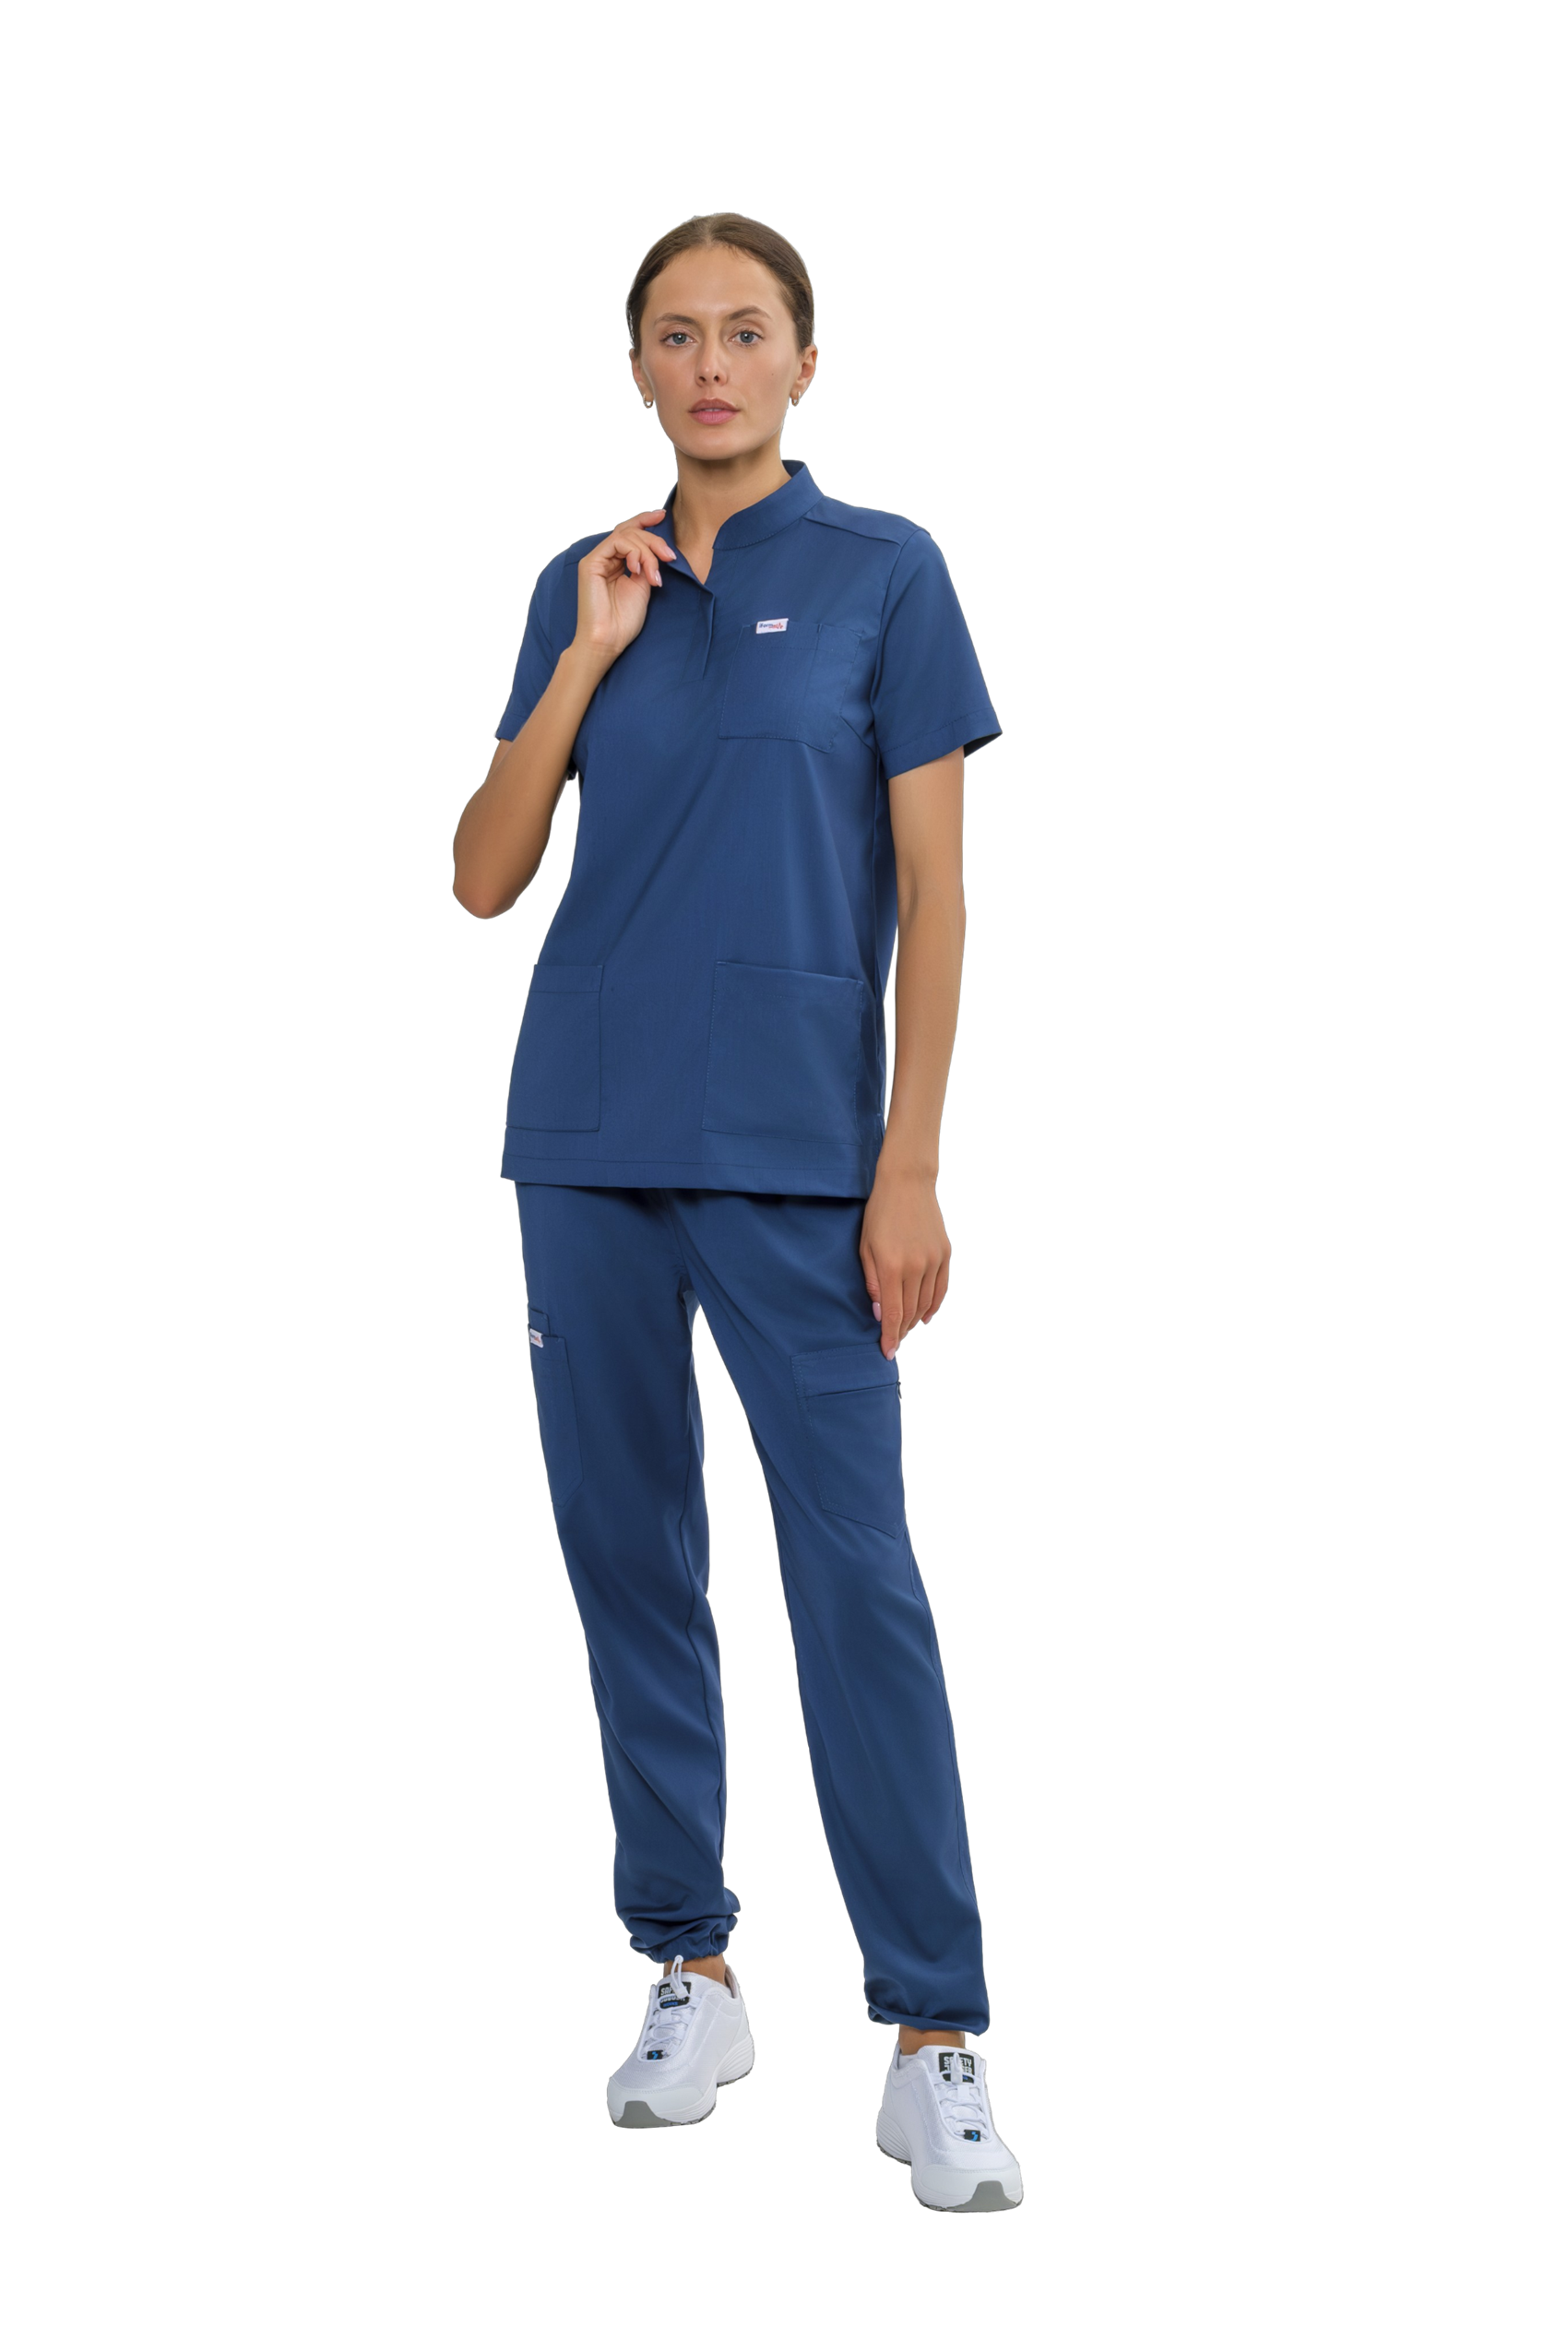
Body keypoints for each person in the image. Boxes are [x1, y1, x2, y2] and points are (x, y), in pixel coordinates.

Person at [452, 213, 1019, 2214]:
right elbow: (484, 875)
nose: (711, 363)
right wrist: (586, 657)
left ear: (801, 363)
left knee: (857, 1574)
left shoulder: (888, 570)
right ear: (636, 368)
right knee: (628, 1554)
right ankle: (687, 1966)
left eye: (746, 331)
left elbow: (937, 895)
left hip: (802, 1151)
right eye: (676, 334)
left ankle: (933, 2037)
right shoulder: (578, 580)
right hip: (582, 1133)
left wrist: (910, 1159)